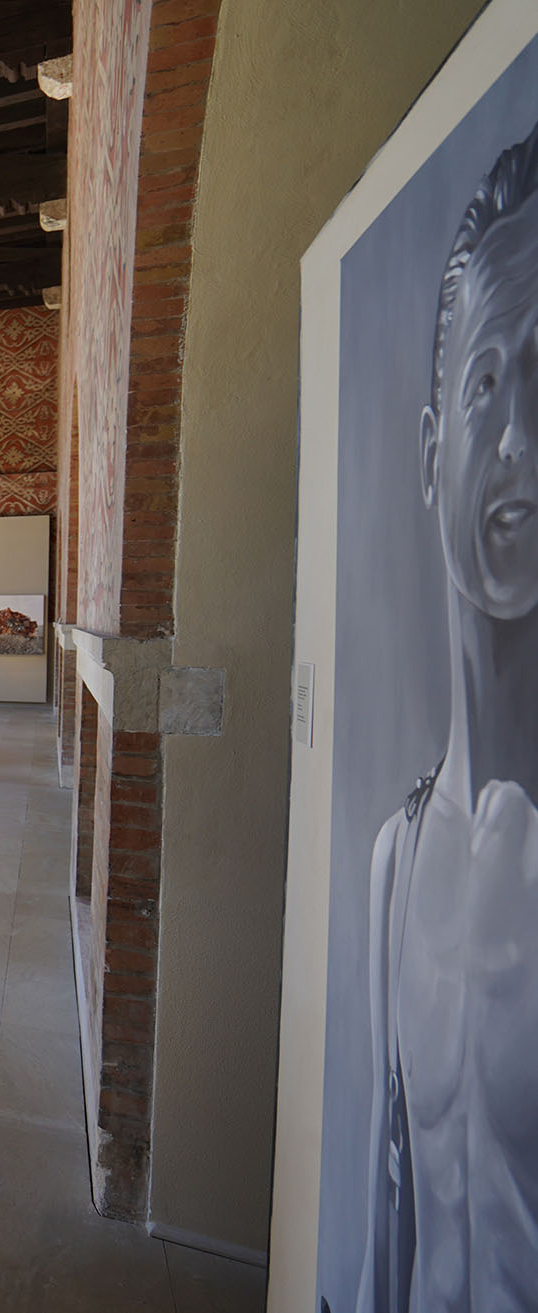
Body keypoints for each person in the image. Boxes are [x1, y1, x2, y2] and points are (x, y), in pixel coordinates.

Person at [351, 116, 538, 1313]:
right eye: (486, 381)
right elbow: (390, 1199)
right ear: (432, 452)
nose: (518, 437)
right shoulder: (396, 856)